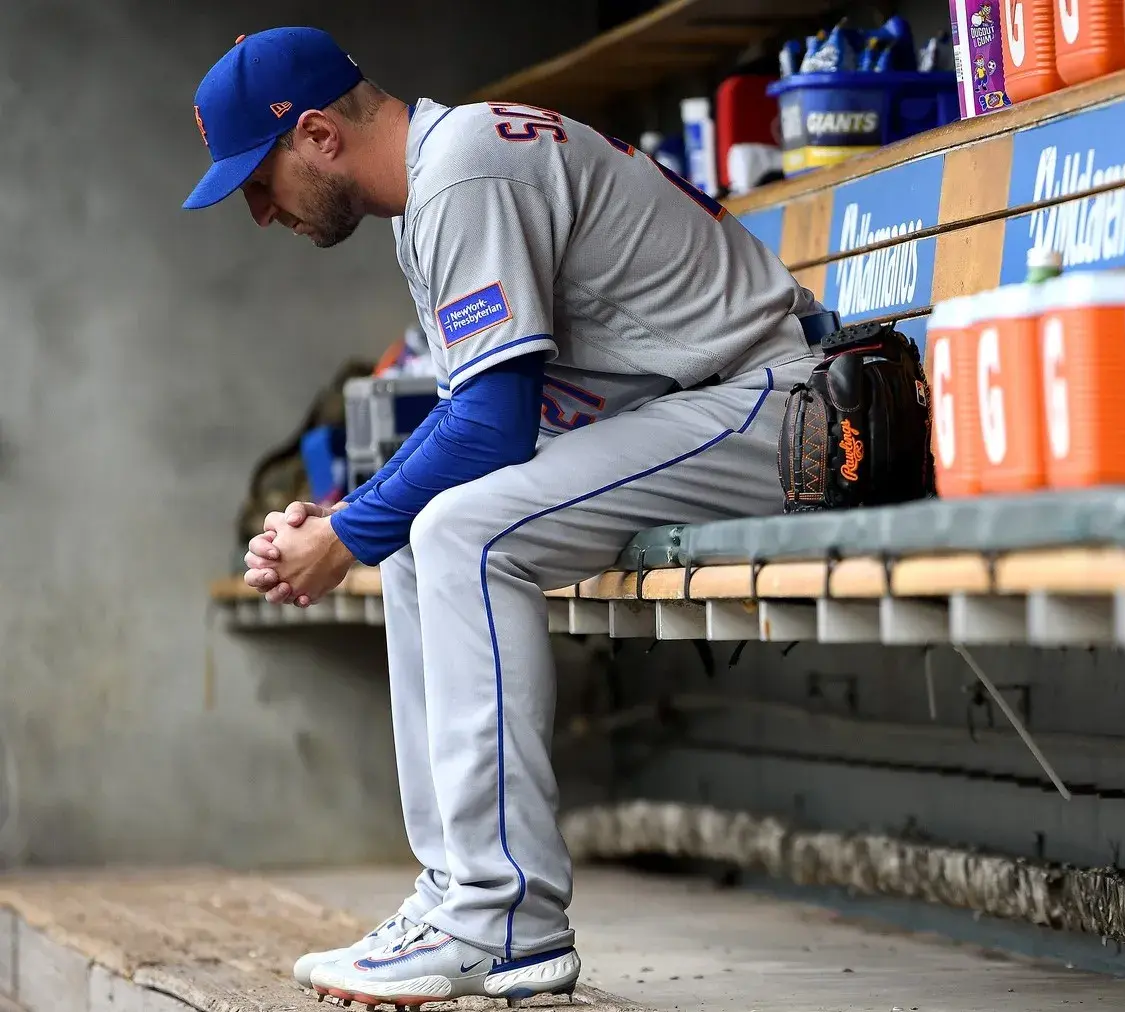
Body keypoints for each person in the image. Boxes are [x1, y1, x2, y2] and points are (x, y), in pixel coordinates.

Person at [185, 27, 828, 1008]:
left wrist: (344, 534)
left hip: (766, 401)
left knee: (458, 533)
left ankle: (507, 917)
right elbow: (479, 419)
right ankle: (455, 894)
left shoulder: (462, 174)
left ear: (316, 134)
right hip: (683, 408)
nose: (262, 214)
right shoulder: (436, 190)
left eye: (257, 183)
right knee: (417, 537)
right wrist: (346, 518)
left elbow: (491, 426)